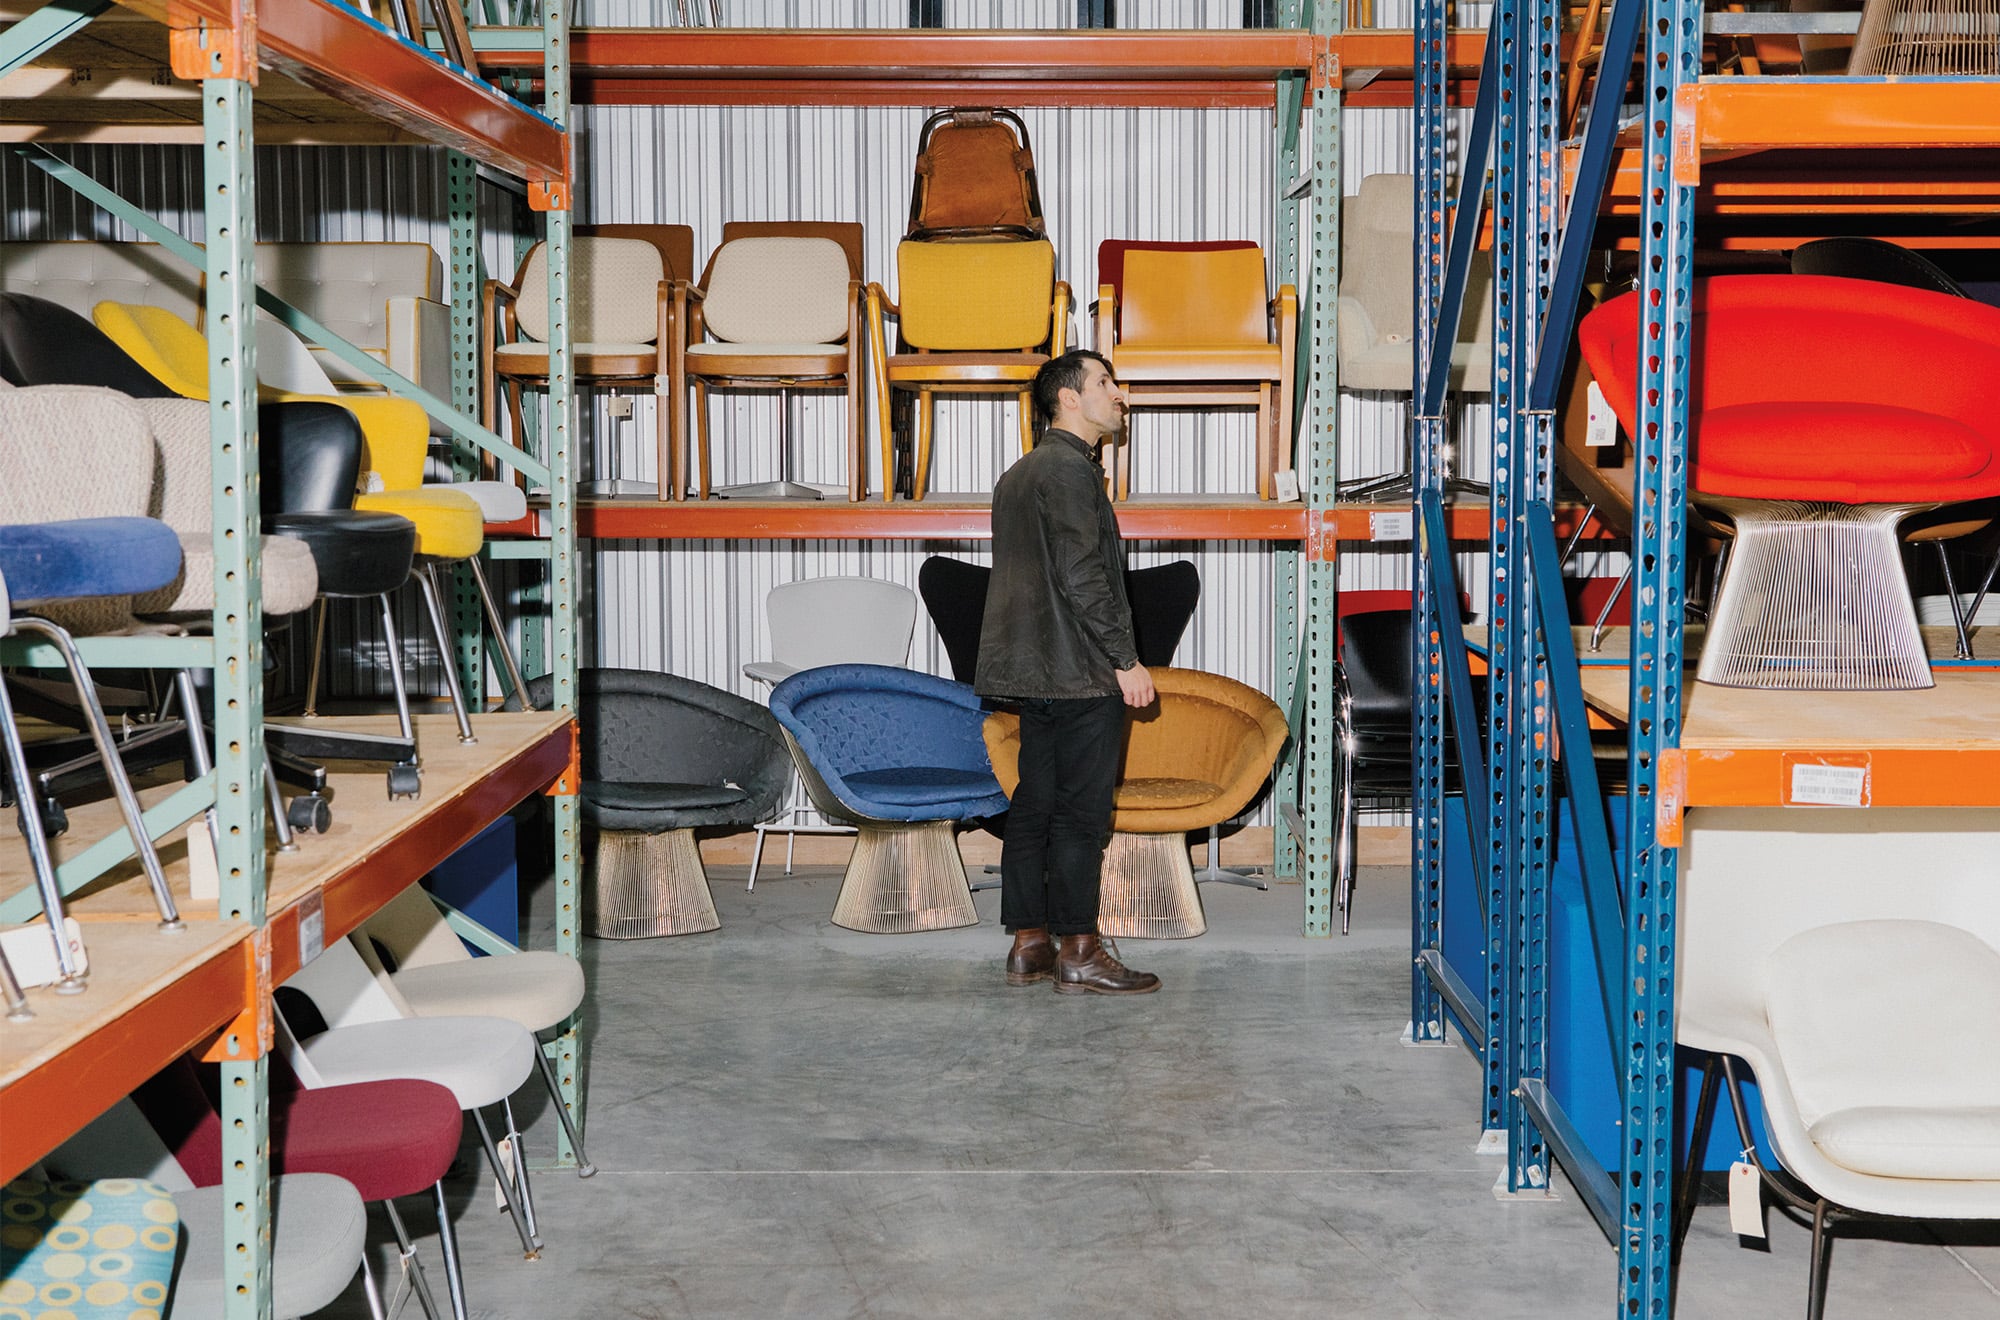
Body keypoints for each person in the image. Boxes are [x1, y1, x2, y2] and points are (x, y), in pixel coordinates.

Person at [975, 349, 1161, 996]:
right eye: (1105, 383)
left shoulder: (1018, 474)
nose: (1120, 394)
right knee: (1082, 814)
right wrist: (1125, 660)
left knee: (1033, 804)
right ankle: (1080, 949)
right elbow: (1083, 577)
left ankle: (1029, 944)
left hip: (1034, 673)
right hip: (1081, 671)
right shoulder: (1072, 473)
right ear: (1069, 399)